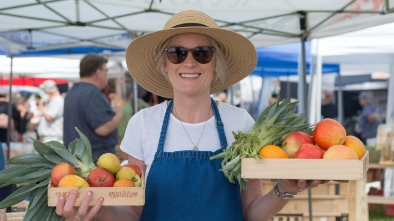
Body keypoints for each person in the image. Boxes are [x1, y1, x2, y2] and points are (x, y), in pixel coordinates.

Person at [56, 10, 326, 221]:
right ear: (164, 64)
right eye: (176, 53)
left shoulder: (240, 122)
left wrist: (287, 188)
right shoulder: (143, 123)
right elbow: (131, 214)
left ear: (216, 63)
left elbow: (251, 212)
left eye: (202, 53)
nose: (189, 62)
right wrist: (94, 210)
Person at [63, 54, 123, 159]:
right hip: (96, 161)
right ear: (98, 73)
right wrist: (119, 114)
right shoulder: (91, 93)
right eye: (106, 70)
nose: (106, 75)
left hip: (77, 159)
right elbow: (103, 128)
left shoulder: (72, 92)